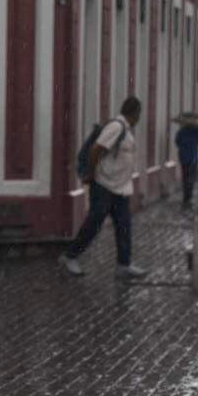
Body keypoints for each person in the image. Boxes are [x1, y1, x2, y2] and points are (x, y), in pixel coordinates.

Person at [60, 97, 145, 279]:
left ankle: (124, 264)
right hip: (104, 185)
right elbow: (95, 150)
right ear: (135, 112)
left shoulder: (126, 130)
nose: (139, 118)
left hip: (121, 188)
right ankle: (70, 256)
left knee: (124, 226)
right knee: (94, 222)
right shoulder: (116, 127)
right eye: (139, 113)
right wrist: (91, 174)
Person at [175, 114, 198, 209]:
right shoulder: (196, 131)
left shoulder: (181, 131)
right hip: (193, 157)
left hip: (183, 157)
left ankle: (186, 197)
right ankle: (189, 196)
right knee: (191, 177)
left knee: (185, 176)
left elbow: (177, 142)